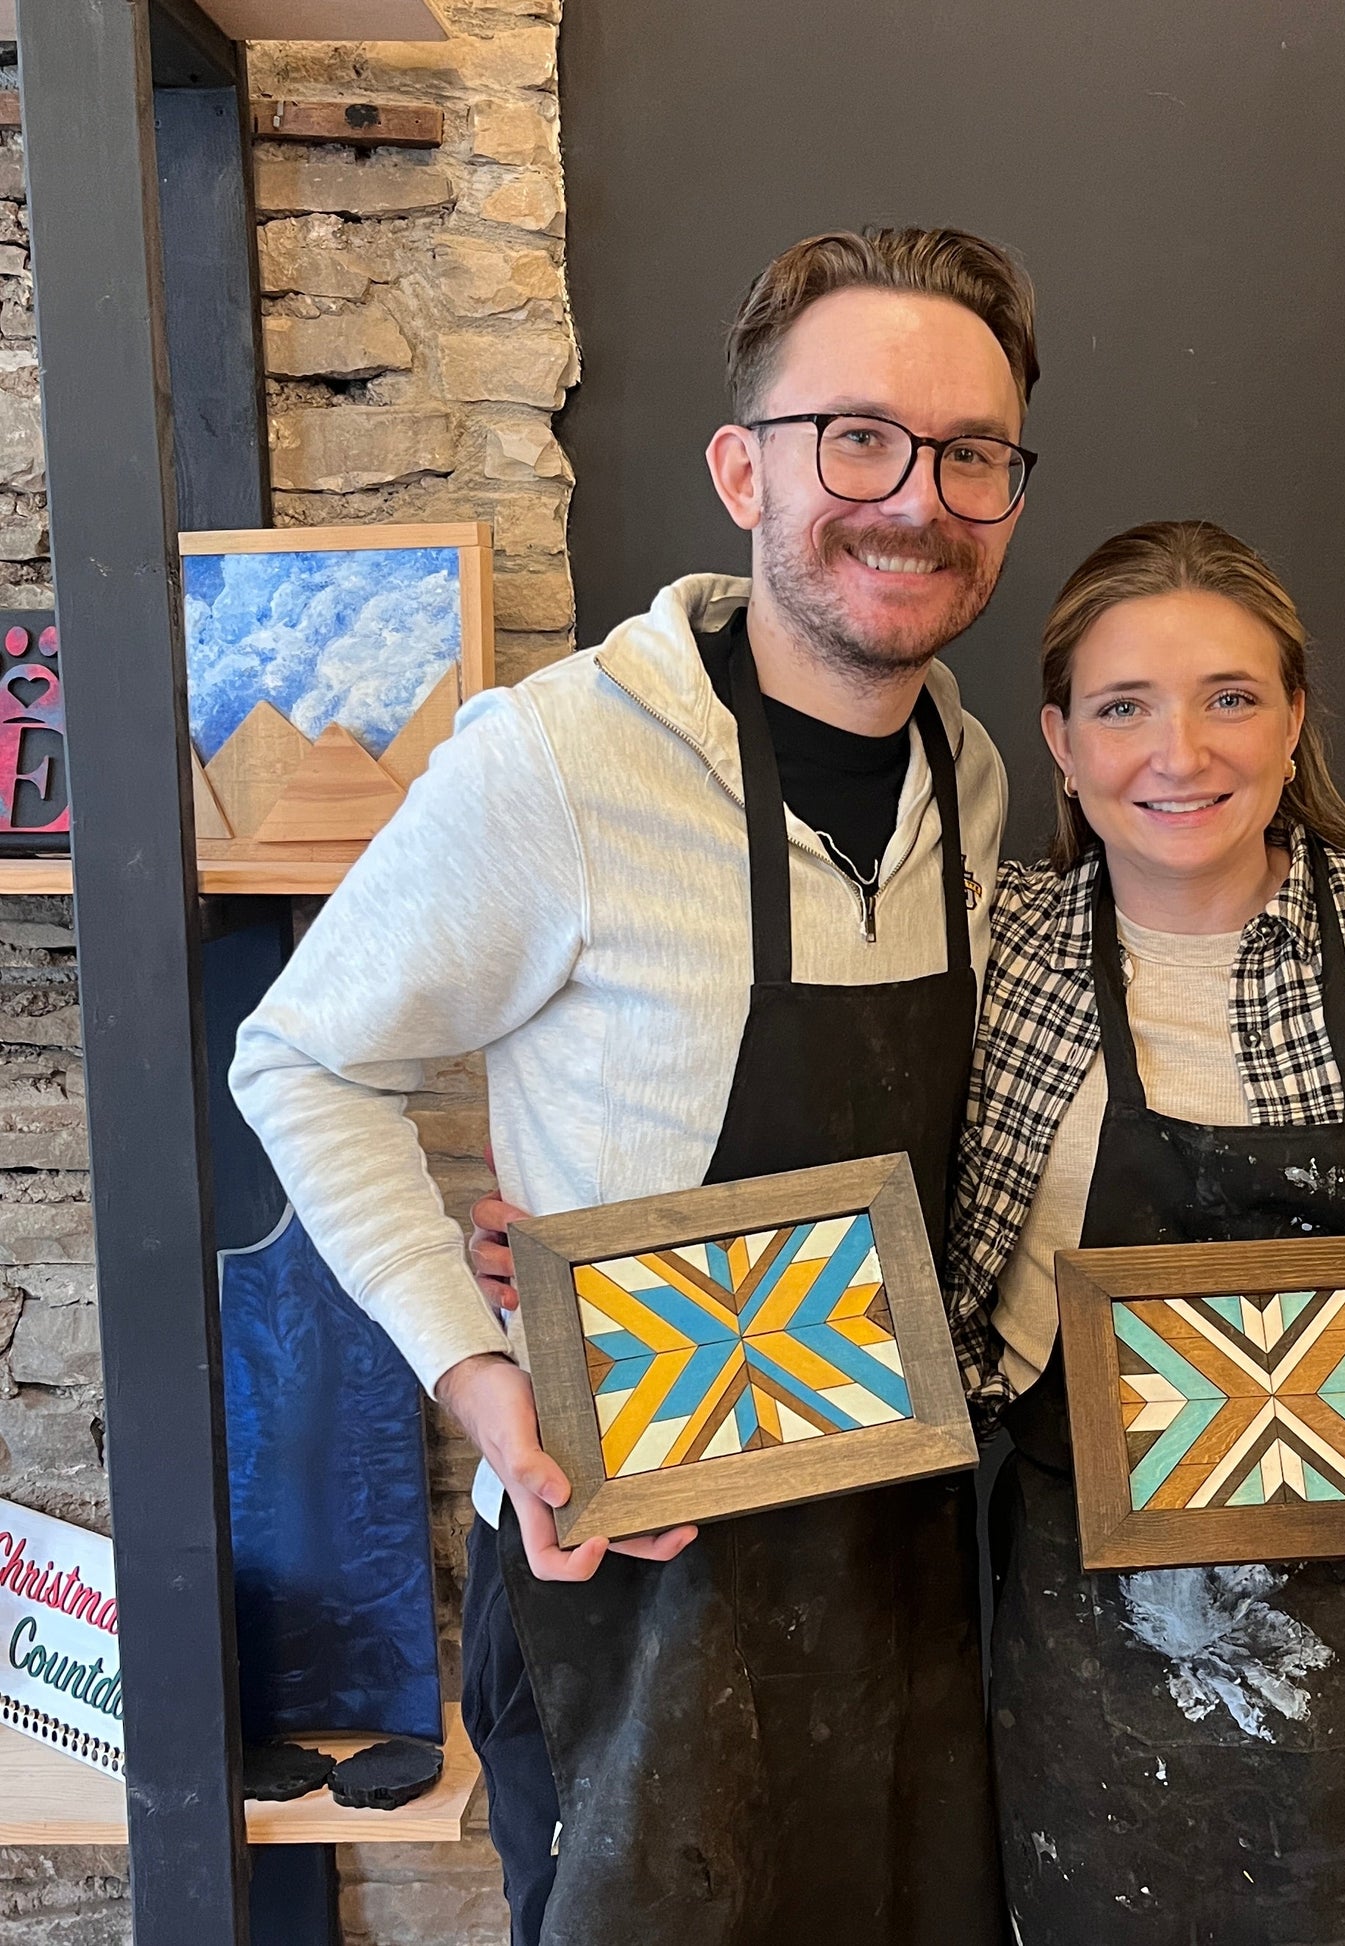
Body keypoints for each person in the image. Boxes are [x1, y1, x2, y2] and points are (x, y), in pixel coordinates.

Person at [231, 226, 1039, 1946]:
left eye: (971, 453)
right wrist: (476, 1373)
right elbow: (300, 1058)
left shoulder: (971, 778)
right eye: (858, 437)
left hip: (913, 1572)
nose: (914, 495)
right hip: (645, 1581)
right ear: (740, 467)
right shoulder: (559, 758)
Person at [941, 520, 1345, 1943]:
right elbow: (901, 1268)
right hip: (1090, 1641)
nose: (1179, 752)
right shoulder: (994, 953)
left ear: (1293, 719)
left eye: (1230, 695)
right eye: (1122, 706)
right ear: (1056, 738)